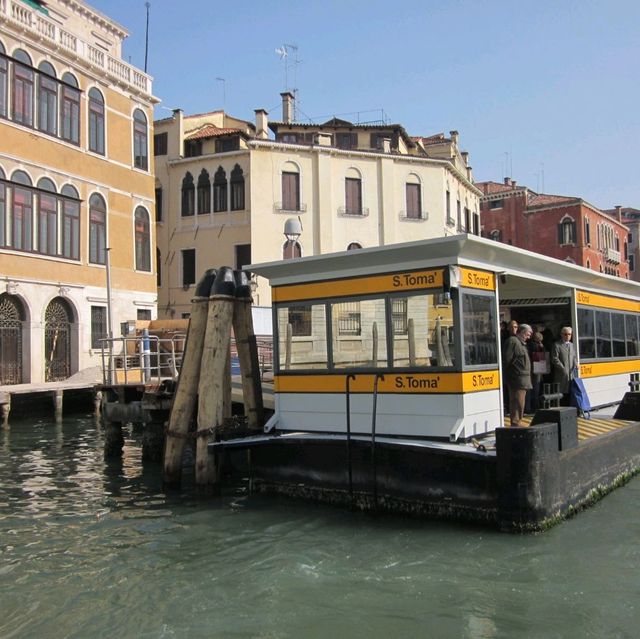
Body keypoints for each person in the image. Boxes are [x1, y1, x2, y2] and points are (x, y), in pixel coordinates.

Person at [503, 323, 533, 427]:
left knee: (521, 402)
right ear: (523, 332)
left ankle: (518, 421)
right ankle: (516, 422)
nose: (529, 337)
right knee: (517, 402)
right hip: (516, 378)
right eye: (528, 334)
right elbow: (507, 359)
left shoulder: (521, 343)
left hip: (522, 379)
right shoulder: (513, 341)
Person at [551, 326, 578, 405]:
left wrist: (576, 364)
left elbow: (574, 357)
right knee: (561, 391)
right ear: (561, 335)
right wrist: (562, 368)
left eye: (569, 334)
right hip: (561, 374)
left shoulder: (572, 345)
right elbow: (554, 358)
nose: (567, 336)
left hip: (571, 374)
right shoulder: (557, 345)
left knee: (569, 391)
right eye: (565, 334)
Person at [526, 331, 546, 413]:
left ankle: (531, 406)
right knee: (536, 389)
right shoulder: (535, 346)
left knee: (533, 389)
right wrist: (542, 348)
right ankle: (535, 406)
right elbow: (540, 357)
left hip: (535, 369)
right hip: (536, 369)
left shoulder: (530, 345)